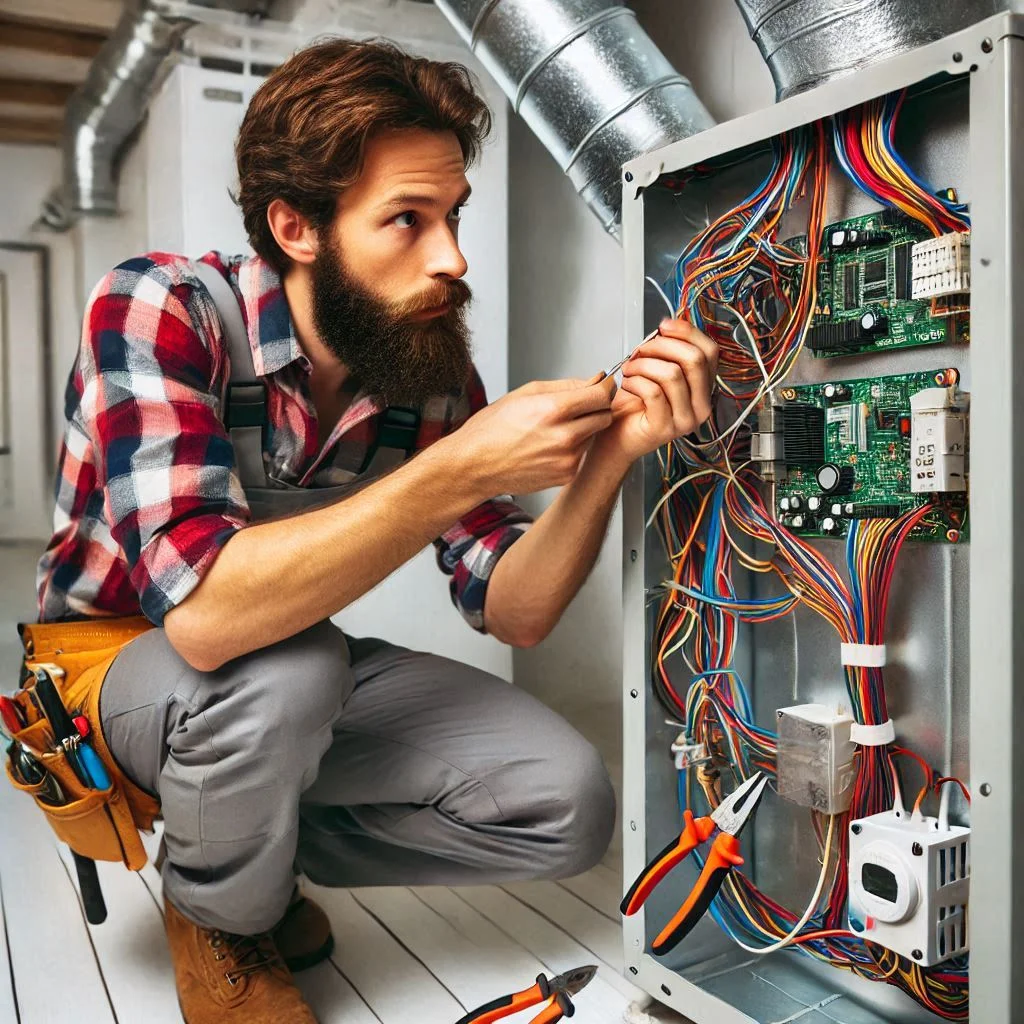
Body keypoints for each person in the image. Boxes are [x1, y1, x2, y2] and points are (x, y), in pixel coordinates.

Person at [33, 37, 717, 1024]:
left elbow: (513, 608)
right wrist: (461, 466)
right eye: (407, 219)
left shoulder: (425, 372)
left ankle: (238, 852)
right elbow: (208, 621)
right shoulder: (164, 307)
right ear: (296, 227)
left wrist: (610, 460)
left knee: (565, 801)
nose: (452, 258)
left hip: (270, 667)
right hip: (109, 662)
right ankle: (217, 913)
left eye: (452, 216)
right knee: (290, 670)